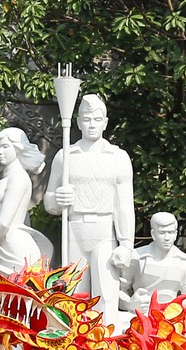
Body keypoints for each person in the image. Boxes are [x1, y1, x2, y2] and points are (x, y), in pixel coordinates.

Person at [42, 93, 136, 293]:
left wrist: (126, 244)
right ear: (78, 122)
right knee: (75, 294)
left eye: (97, 119)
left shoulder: (118, 157)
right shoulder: (65, 157)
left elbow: (124, 206)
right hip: (74, 230)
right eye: (86, 119)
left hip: (104, 231)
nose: (92, 124)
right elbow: (49, 202)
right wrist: (58, 199)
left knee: (107, 294)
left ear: (105, 122)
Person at [0, 127, 45, 274]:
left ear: (18, 148)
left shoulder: (18, 178)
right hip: (4, 245)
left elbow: (4, 222)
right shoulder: (11, 178)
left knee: (14, 295)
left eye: (5, 147)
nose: (0, 151)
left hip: (14, 246)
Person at [123, 212, 186, 312]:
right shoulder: (136, 257)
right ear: (153, 234)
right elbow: (118, 291)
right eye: (162, 233)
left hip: (172, 316)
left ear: (176, 234)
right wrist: (129, 304)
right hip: (141, 315)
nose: (167, 238)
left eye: (171, 233)